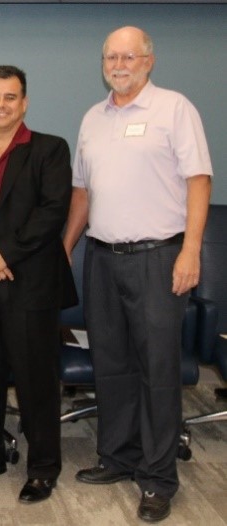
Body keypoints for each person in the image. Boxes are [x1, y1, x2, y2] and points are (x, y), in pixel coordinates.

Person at [63, 27, 212, 523]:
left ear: (149, 61)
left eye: (129, 55)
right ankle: (120, 457)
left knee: (158, 371)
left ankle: (157, 477)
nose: (119, 63)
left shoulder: (174, 109)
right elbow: (82, 192)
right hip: (102, 257)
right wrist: (66, 248)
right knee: (111, 362)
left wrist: (191, 251)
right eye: (111, 55)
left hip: (159, 257)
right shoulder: (93, 118)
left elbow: (199, 180)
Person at [0, 65, 75, 504]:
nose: (1, 104)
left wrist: (5, 254)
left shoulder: (49, 149)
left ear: (24, 103)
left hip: (32, 286)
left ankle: (43, 467)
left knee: (35, 380)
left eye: (10, 97)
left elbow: (52, 211)